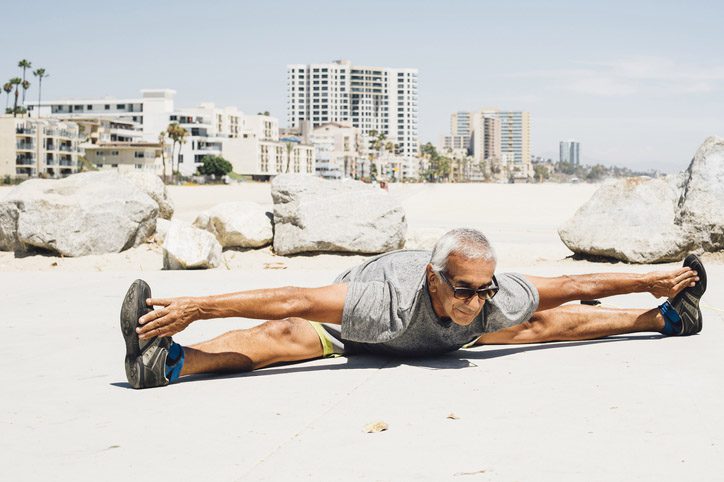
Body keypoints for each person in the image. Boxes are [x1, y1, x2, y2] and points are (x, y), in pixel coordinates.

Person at [119, 228, 707, 389]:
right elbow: (294, 297)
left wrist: (656, 283)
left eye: (484, 289)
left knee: (547, 322)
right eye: (461, 289)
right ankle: (167, 363)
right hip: (364, 337)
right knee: (286, 334)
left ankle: (670, 320)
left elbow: (573, 282)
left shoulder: (491, 297)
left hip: (445, 344)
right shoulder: (385, 300)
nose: (473, 300)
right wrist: (194, 306)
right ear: (432, 278)